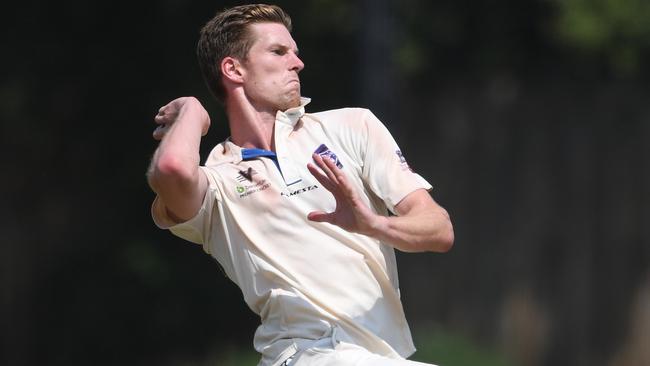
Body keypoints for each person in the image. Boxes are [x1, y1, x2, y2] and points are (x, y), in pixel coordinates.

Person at [147, 4, 454, 366]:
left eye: (296, 52)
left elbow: (439, 229)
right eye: (279, 52)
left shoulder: (353, 126)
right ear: (233, 69)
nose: (297, 63)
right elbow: (170, 168)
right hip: (303, 355)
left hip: (383, 354)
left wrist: (376, 225)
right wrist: (192, 111)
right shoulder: (217, 179)